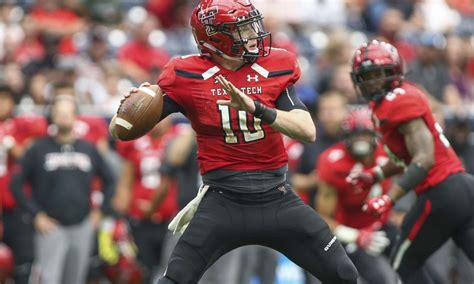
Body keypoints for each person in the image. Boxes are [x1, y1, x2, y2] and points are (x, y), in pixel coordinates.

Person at [109, 1, 358, 283]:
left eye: (252, 25)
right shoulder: (186, 75)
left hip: (276, 197)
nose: (253, 34)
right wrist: (129, 110)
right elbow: (122, 131)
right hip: (223, 201)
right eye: (241, 29)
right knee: (174, 279)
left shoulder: (274, 66)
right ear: (215, 39)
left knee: (344, 274)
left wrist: (255, 107)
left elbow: (306, 129)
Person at [348, 40, 474, 283]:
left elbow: (424, 159)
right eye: (366, 75)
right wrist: (375, 175)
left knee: (402, 262)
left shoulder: (397, 102)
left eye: (377, 74)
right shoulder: (393, 100)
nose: (371, 81)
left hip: (442, 191)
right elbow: (406, 157)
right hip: (461, 188)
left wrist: (389, 197)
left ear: (392, 73)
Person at [10, 95, 115, 284]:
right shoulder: (38, 149)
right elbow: (15, 184)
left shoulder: (87, 148)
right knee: (50, 279)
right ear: (52, 117)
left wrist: (101, 211)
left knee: (75, 279)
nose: (64, 116)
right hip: (51, 227)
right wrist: (36, 215)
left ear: (76, 116)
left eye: (68, 112)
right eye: (59, 112)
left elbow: (110, 180)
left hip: (82, 225)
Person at [316, 108, 398, 284]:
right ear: (346, 137)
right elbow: (323, 218)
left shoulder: (387, 154)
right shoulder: (333, 162)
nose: (361, 140)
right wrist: (355, 236)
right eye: (356, 134)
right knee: (381, 279)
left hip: (381, 225)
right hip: (350, 232)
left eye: (365, 134)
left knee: (417, 265)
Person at [113, 118, 178, 284]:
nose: (159, 121)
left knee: (172, 268)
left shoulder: (178, 138)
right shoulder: (135, 140)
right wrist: (122, 214)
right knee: (143, 268)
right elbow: (125, 180)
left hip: (172, 218)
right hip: (140, 218)